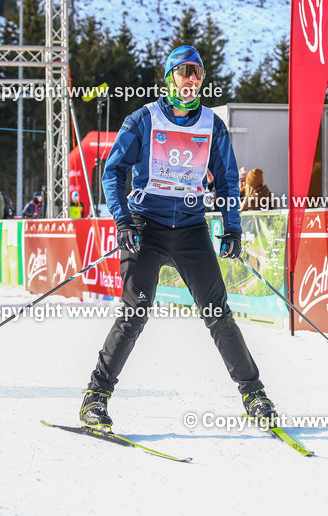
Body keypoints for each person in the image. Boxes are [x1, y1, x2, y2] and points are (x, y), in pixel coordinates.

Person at [79, 45, 275, 429]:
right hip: (145, 227)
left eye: (197, 73)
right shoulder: (143, 120)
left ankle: (255, 395)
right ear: (169, 77)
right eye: (184, 72)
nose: (191, 79)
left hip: (189, 229)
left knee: (218, 314)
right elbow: (113, 173)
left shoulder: (211, 124)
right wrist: (123, 222)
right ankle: (95, 397)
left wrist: (232, 225)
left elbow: (228, 180)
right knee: (135, 312)